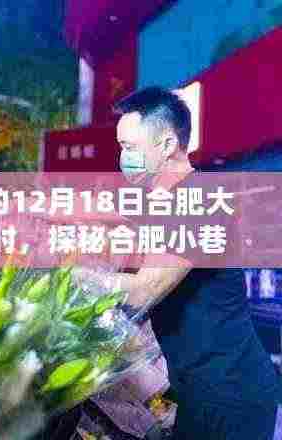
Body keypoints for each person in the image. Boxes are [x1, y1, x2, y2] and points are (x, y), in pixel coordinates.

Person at [75, 87, 281, 439]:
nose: (124, 157)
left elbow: (144, 290)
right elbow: (103, 216)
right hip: (198, 389)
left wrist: (74, 277)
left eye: (130, 147)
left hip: (230, 395)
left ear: (168, 144)